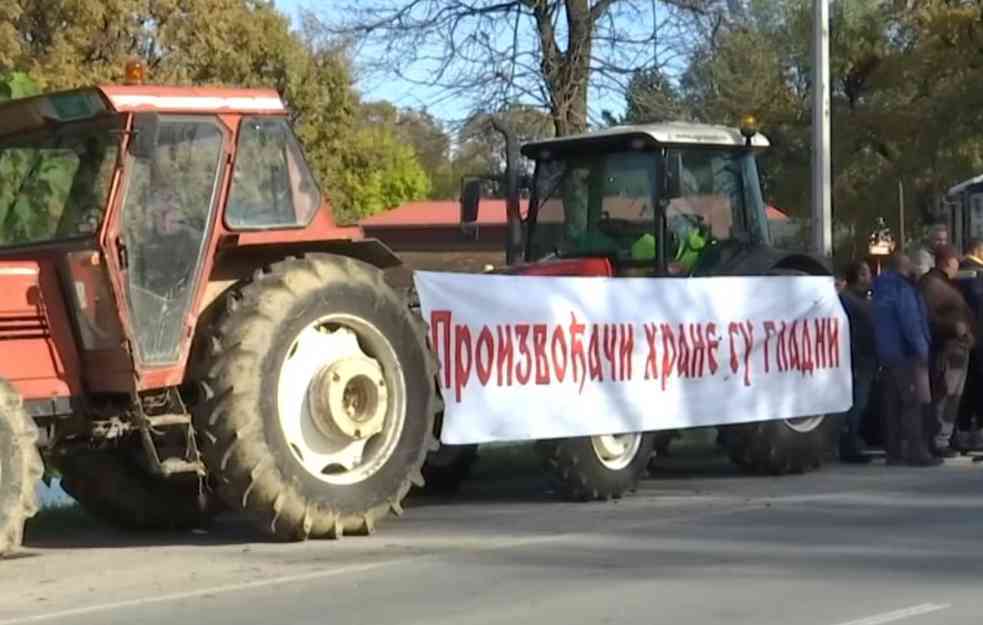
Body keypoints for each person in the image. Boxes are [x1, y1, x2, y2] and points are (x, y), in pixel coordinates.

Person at [871, 253, 941, 466]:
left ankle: (893, 452)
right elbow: (910, 322)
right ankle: (917, 452)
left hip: (886, 353)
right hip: (905, 353)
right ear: (904, 266)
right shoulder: (903, 290)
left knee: (891, 404)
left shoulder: (880, 290)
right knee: (912, 404)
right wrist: (922, 349)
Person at [919, 244, 976, 457]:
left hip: (957, 348)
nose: (958, 264)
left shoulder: (941, 283)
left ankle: (945, 436)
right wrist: (954, 327)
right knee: (947, 394)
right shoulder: (933, 285)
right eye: (955, 260)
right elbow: (928, 317)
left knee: (952, 395)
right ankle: (939, 439)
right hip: (949, 349)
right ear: (947, 261)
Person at [838, 260, 876, 463]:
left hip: (866, 357)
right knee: (856, 402)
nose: (869, 278)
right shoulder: (848, 300)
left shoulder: (864, 300)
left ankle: (853, 439)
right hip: (857, 357)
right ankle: (849, 444)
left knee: (861, 401)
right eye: (865, 274)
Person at [955, 239, 983, 452]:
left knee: (964, 389)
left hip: (963, 339)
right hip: (977, 339)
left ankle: (962, 431)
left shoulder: (956, 276)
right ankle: (977, 433)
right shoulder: (977, 275)